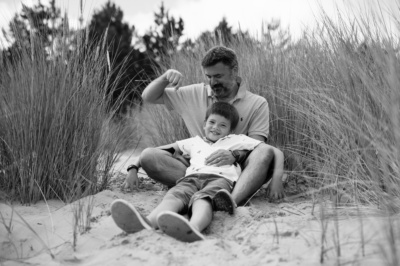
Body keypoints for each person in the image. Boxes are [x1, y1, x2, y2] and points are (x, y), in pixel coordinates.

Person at [124, 45, 284, 209]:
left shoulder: (257, 103)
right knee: (149, 156)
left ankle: (230, 201)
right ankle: (197, 190)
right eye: (209, 76)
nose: (213, 82)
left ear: (234, 70)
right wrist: (165, 77)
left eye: (218, 76)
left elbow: (257, 147)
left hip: (235, 172)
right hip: (196, 169)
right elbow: (148, 97)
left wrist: (234, 155)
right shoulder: (194, 93)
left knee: (264, 151)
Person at [112, 102, 269, 242]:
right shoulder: (193, 142)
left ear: (230, 130)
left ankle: (194, 226)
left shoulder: (237, 140)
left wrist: (273, 176)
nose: (215, 127)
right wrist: (133, 168)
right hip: (190, 178)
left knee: (203, 200)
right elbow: (154, 151)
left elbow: (265, 150)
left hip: (219, 179)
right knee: (173, 196)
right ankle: (148, 222)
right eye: (212, 122)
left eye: (223, 125)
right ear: (204, 124)